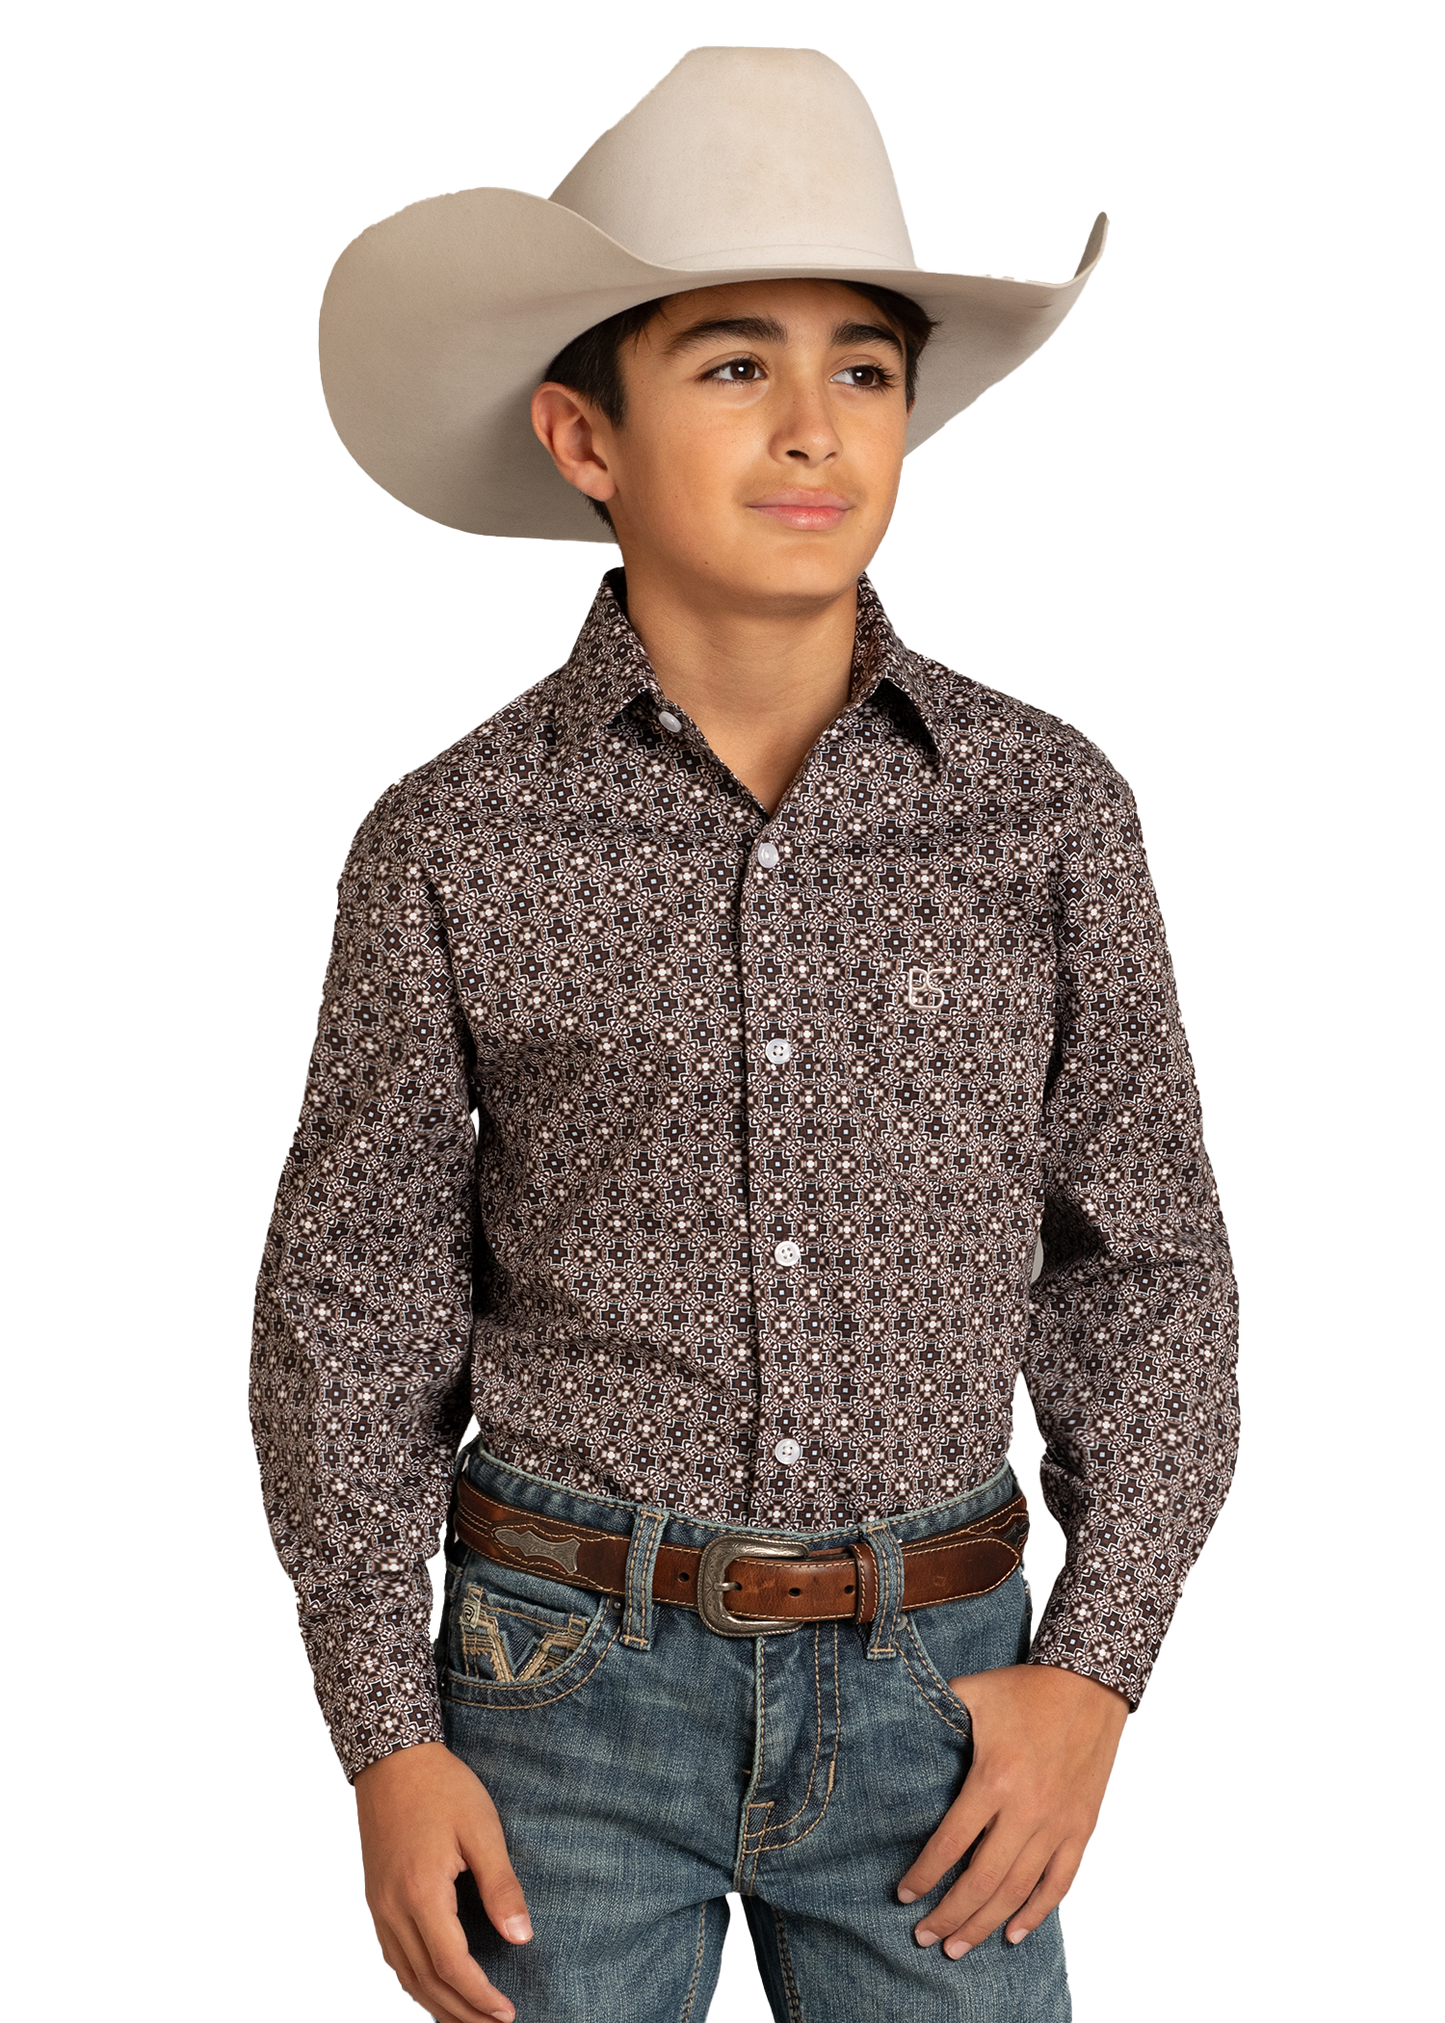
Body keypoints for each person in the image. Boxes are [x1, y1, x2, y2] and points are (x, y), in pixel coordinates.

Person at [249, 43, 1242, 2023]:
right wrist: (382, 1737)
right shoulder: (445, 841)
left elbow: (1147, 1270)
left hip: (946, 1700)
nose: (812, 428)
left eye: (861, 369)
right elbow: (348, 1306)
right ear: (582, 434)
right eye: (730, 366)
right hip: (553, 1689)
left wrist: (1092, 1674)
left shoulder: (1045, 810)